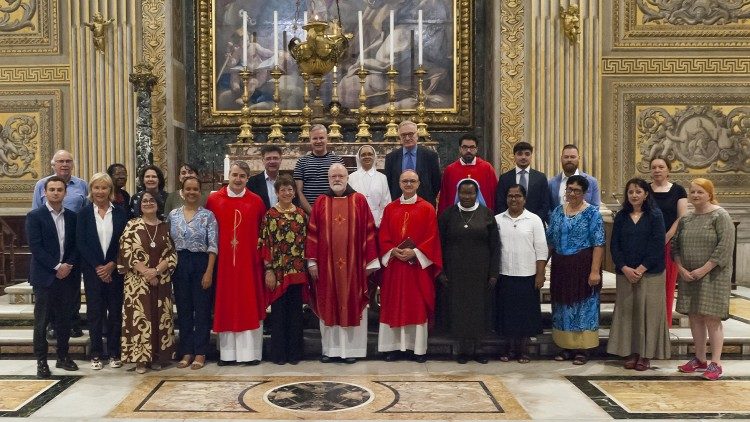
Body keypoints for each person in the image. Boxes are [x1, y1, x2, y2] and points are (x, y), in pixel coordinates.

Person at [306, 163, 380, 363]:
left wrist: (370, 263)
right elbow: (312, 233)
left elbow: (369, 231)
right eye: (333, 177)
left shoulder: (359, 200)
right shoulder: (321, 202)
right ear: (328, 179)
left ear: (347, 178)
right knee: (328, 303)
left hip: (354, 267)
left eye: (340, 176)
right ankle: (330, 350)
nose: (337, 179)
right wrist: (312, 262)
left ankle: (352, 351)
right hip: (326, 266)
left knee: (352, 302)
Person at [206, 161, 267, 365]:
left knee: (248, 303)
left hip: (249, 265)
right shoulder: (214, 200)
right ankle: (227, 354)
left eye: (242, 176)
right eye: (235, 175)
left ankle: (249, 354)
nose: (238, 179)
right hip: (224, 265)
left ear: (247, 178)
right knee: (226, 305)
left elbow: (262, 233)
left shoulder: (256, 201)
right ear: (228, 176)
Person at [674, 178, 735, 381]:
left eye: (700, 192)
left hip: (713, 276)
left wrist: (704, 269)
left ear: (709, 193)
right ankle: (700, 358)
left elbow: (724, 247)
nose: (696, 195)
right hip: (689, 275)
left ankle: (715, 362)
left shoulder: (720, 215)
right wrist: (681, 268)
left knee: (711, 317)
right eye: (692, 192)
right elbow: (676, 246)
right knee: (694, 316)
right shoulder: (687, 218)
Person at [378, 170, 442, 362]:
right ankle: (393, 348)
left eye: (412, 181)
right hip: (396, 267)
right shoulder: (390, 208)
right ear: (399, 184)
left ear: (418, 184)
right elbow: (383, 236)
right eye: (404, 181)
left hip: (416, 269)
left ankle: (417, 349)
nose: (408, 184)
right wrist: (392, 251)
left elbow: (432, 237)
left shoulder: (427, 208)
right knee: (394, 305)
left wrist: (415, 252)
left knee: (416, 306)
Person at [608, 178, 670, 371]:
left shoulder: (655, 215)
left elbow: (657, 244)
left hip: (650, 273)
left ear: (645, 194)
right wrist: (625, 267)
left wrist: (642, 268)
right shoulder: (621, 216)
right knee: (628, 313)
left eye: (638, 191)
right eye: (630, 192)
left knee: (648, 314)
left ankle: (645, 355)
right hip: (625, 273)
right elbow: (614, 245)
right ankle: (631, 352)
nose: (634, 195)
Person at [438, 179, 500, 364]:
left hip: (480, 272)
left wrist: (494, 272)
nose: (466, 197)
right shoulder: (448, 215)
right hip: (455, 271)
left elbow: (495, 246)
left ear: (477, 194)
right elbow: (439, 245)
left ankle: (478, 348)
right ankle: (463, 348)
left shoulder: (487, 214)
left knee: (478, 309)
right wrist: (440, 271)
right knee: (459, 309)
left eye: (471, 193)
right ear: (458, 193)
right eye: (463, 193)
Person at [546, 175, 605, 365]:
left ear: (585, 193)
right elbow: (550, 242)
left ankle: (582, 349)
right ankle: (565, 347)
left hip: (583, 265)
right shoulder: (557, 212)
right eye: (569, 189)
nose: (571, 193)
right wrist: (541, 267)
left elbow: (598, 243)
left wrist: (594, 271)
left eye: (576, 190)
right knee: (562, 306)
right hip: (561, 265)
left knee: (583, 306)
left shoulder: (592, 213)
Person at [117, 191, 177, 374]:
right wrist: (146, 272)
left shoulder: (166, 226)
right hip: (137, 283)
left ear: (158, 204)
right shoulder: (131, 225)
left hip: (161, 280)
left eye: (152, 200)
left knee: (160, 317)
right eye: (144, 201)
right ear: (139, 205)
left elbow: (172, 253)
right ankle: (140, 360)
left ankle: (158, 356)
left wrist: (156, 271)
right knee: (140, 318)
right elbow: (126, 250)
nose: (148, 203)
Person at [27, 176, 79, 379]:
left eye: (59, 189)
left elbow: (76, 245)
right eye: (52, 190)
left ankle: (63, 356)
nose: (56, 193)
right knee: (42, 321)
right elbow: (36, 247)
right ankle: (41, 361)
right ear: (44, 193)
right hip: (45, 277)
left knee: (64, 319)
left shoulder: (73, 217)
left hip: (67, 276)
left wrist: (68, 265)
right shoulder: (35, 216)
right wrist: (57, 266)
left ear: (65, 193)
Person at [32, 149, 88, 339]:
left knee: (71, 290)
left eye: (68, 161)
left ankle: (72, 322)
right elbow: (35, 213)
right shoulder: (42, 184)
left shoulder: (81, 185)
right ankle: (52, 325)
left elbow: (86, 211)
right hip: (49, 248)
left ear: (73, 164)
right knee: (50, 292)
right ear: (53, 164)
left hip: (73, 244)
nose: (64, 164)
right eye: (60, 161)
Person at [76, 173, 128, 370]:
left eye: (104, 188)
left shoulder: (121, 213)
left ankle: (115, 352)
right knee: (95, 313)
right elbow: (81, 243)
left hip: (115, 271)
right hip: (93, 271)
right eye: (96, 188)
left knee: (115, 313)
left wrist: (113, 264)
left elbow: (124, 242)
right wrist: (99, 266)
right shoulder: (84, 213)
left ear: (110, 191)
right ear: (91, 190)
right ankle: (96, 352)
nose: (100, 191)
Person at [168, 176, 217, 370]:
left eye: (195, 189)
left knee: (202, 310)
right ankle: (186, 351)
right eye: (188, 189)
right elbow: (169, 243)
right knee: (184, 309)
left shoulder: (208, 216)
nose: (191, 192)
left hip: (201, 263)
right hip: (180, 263)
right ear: (182, 191)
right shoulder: (173, 215)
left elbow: (213, 245)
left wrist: (209, 272)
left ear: (200, 192)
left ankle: (200, 352)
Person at [258, 174, 308, 365]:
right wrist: (268, 270)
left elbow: (305, 243)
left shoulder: (301, 215)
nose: (287, 193)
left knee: (295, 315)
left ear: (294, 192)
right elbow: (264, 244)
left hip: (297, 271)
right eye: (283, 190)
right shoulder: (270, 215)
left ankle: (295, 354)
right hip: (278, 272)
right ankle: (279, 354)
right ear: (276, 192)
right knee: (278, 315)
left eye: (290, 189)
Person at [495, 184, 548, 363]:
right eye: (510, 196)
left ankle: (524, 350)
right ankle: (509, 349)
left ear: (524, 199)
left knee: (525, 315)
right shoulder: (497, 220)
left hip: (527, 275)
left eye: (518, 196)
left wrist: (540, 274)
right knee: (507, 315)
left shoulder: (534, 220)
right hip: (505, 274)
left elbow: (541, 249)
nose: (513, 199)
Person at [649, 157, 687, 327]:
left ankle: (664, 326)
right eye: (654, 167)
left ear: (668, 170)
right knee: (648, 287)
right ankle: (648, 326)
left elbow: (682, 217)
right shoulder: (644, 190)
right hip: (647, 244)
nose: (657, 170)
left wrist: (667, 236)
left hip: (668, 244)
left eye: (661, 167)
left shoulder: (678, 190)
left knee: (667, 286)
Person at [384, 121, 441, 206]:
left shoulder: (430, 156)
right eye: (403, 135)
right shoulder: (391, 157)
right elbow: (389, 183)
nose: (407, 138)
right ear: (399, 137)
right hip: (399, 204)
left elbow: (436, 183)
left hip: (424, 204)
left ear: (417, 135)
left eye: (410, 134)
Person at [438, 134, 497, 215]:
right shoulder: (450, 170)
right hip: (456, 218)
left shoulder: (487, 168)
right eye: (465, 147)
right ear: (460, 149)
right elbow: (444, 198)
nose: (468, 150)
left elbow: (494, 194)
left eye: (472, 147)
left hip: (482, 218)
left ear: (476, 149)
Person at [293, 124, 344, 214]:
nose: (318, 141)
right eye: (315, 138)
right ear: (310, 140)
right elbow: (298, 191)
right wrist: (312, 213)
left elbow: (342, 188)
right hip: (308, 213)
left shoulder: (337, 161)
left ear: (327, 139)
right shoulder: (301, 162)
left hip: (332, 212)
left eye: (321, 138)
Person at [495, 142, 551, 223]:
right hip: (510, 223)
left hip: (534, 223)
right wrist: (510, 220)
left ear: (531, 156)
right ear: (514, 156)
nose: (523, 157)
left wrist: (534, 221)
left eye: (527, 154)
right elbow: (500, 203)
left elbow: (545, 204)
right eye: (520, 154)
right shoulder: (504, 178)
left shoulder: (541, 178)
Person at [348, 144, 391, 227]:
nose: (367, 157)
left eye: (370, 154)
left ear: (374, 157)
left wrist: (381, 221)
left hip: (377, 221)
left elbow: (386, 202)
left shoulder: (382, 177)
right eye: (363, 155)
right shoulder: (351, 178)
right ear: (358, 158)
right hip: (356, 221)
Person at [548, 144, 601, 209]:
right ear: (561, 158)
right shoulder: (551, 183)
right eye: (566, 157)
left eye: (573, 157)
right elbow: (548, 209)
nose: (569, 160)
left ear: (578, 158)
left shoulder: (592, 182)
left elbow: (595, 207)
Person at [247, 144, 286, 211]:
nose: (272, 161)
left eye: (275, 158)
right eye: (268, 158)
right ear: (263, 160)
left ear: (281, 160)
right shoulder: (252, 182)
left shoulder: (288, 180)